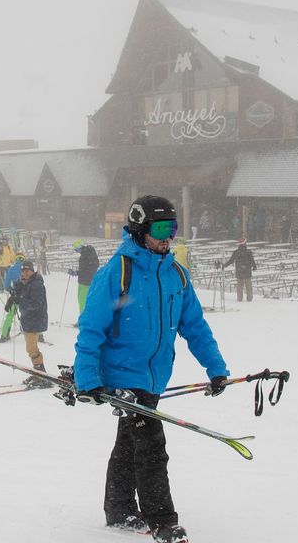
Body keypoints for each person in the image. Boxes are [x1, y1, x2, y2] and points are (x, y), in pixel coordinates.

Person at [73, 195, 229, 543]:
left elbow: (196, 327)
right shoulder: (117, 272)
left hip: (155, 376)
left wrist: (215, 368)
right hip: (122, 375)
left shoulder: (176, 275)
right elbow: (91, 329)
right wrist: (87, 379)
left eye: (173, 228)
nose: (167, 236)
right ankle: (162, 520)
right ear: (140, 229)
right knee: (151, 444)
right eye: (160, 228)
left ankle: (119, 508)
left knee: (129, 443)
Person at [7, 260, 51, 387]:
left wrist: (19, 300)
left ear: (32, 271)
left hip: (35, 319)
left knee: (31, 348)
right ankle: (39, 373)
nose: (24, 273)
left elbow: (35, 304)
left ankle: (41, 375)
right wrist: (13, 297)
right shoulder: (26, 283)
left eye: (27, 271)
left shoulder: (36, 284)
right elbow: (20, 294)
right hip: (28, 319)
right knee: (31, 348)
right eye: (23, 271)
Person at [72, 239, 100, 327]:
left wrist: (78, 272)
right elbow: (85, 269)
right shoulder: (87, 254)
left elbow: (88, 270)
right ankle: (86, 319)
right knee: (82, 300)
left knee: (83, 302)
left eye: (77, 249)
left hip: (86, 282)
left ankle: (84, 321)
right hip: (84, 281)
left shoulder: (87, 255)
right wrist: (76, 272)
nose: (77, 251)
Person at [220, 237, 257, 302]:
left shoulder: (236, 252)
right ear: (245, 243)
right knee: (248, 286)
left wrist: (224, 265)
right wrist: (254, 266)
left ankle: (239, 299)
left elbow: (231, 261)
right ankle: (249, 298)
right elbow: (252, 260)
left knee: (239, 286)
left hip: (239, 271)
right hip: (247, 271)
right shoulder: (249, 252)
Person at [0, 253, 25, 343]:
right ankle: (39, 335)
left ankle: (4, 335)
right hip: (27, 295)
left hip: (16, 294)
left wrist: (11, 290)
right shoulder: (27, 269)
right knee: (31, 313)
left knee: (10, 315)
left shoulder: (11, 269)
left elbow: (6, 285)